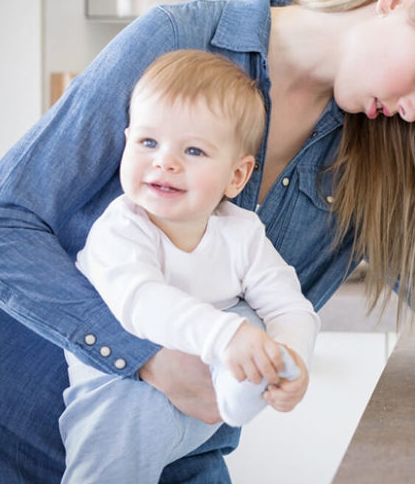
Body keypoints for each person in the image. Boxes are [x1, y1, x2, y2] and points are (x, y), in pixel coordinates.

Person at [0, 0, 415, 483]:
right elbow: (5, 222)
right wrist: (146, 359)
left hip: (181, 464)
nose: (413, 111)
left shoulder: (379, 159)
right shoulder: (178, 39)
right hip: (17, 439)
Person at [59, 49, 319, 483]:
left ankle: (242, 386)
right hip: (119, 389)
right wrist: (227, 337)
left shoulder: (242, 233)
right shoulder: (121, 228)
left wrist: (288, 358)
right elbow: (140, 302)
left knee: (249, 316)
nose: (165, 161)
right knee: (109, 466)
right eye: (148, 143)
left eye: (194, 150)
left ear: (236, 177)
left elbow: (289, 306)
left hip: (201, 396)